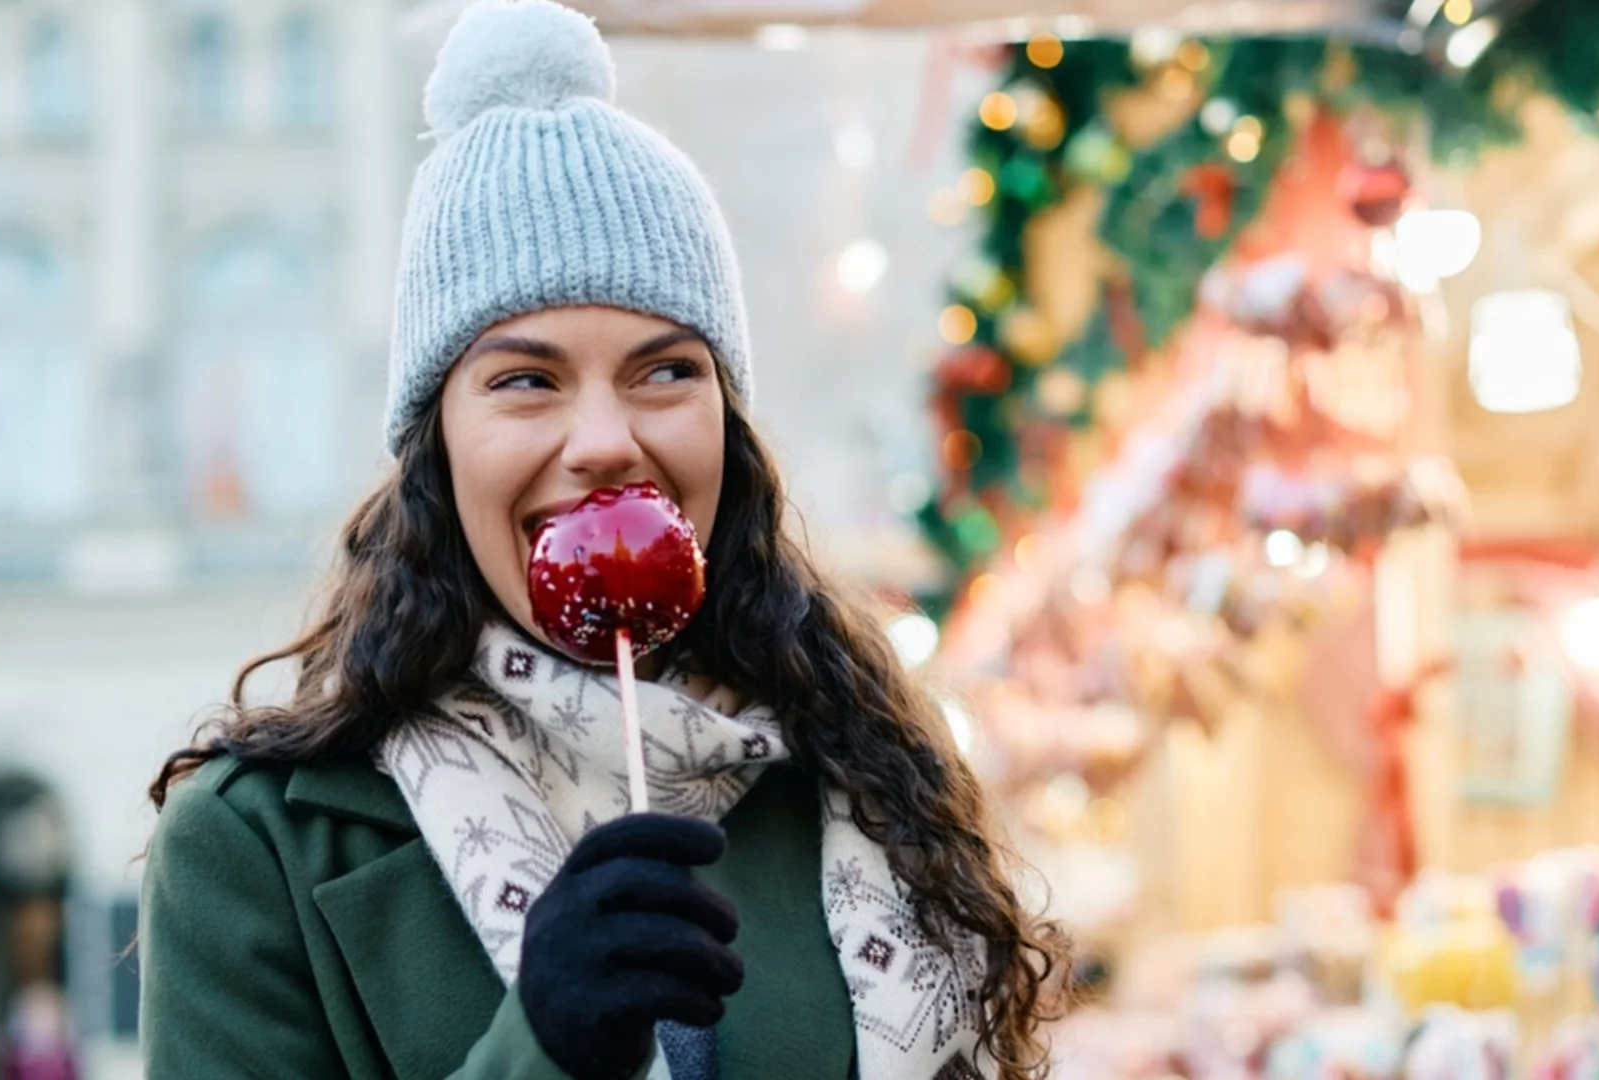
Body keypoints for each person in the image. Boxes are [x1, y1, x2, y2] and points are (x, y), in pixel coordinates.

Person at [138, 3, 1065, 1078]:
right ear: (437, 443)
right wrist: (544, 1046)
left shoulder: (865, 777)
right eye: (525, 381)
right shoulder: (252, 845)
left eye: (665, 371)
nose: (605, 441)